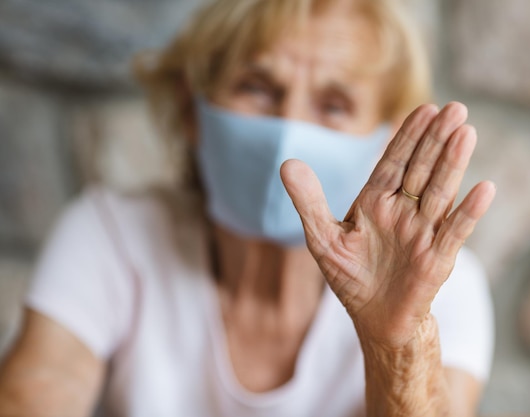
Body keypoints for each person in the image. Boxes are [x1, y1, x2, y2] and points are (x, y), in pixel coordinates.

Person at [0, 0, 496, 416]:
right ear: (192, 108)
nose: (288, 129)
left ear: (384, 139)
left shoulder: (435, 288)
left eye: (334, 104)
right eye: (256, 88)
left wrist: (397, 344)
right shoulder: (112, 236)